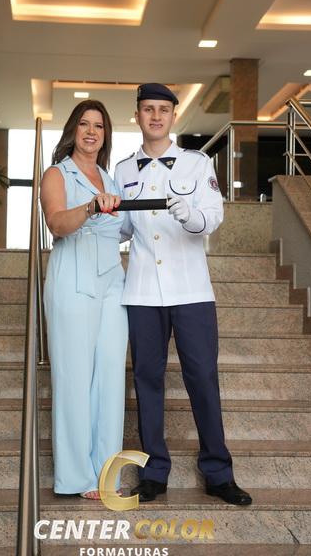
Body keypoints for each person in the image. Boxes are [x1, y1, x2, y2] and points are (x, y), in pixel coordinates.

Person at [114, 83, 252, 506]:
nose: (155, 116)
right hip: (142, 292)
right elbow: (122, 229)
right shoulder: (123, 169)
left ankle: (218, 473)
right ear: (137, 116)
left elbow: (212, 218)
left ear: (174, 116)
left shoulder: (197, 162)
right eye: (148, 109)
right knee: (147, 381)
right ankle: (154, 473)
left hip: (191, 291)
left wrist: (188, 214)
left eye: (163, 109)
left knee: (202, 378)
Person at [41, 100, 128, 500]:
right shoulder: (57, 174)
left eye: (99, 126)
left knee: (110, 379)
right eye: (84, 124)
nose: (91, 131)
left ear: (105, 134)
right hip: (72, 280)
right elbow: (56, 222)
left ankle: (106, 473)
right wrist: (91, 206)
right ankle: (77, 477)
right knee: (74, 379)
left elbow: (123, 229)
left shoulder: (111, 179)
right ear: (73, 130)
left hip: (112, 283)